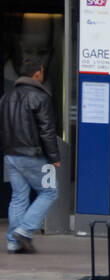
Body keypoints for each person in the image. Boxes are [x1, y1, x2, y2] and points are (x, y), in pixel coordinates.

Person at [1, 60, 60, 253]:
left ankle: (13, 242)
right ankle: (24, 231)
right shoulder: (40, 97)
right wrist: (54, 157)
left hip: (11, 155)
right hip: (33, 155)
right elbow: (47, 130)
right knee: (50, 191)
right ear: (37, 73)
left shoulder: (6, 96)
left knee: (19, 196)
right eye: (42, 70)